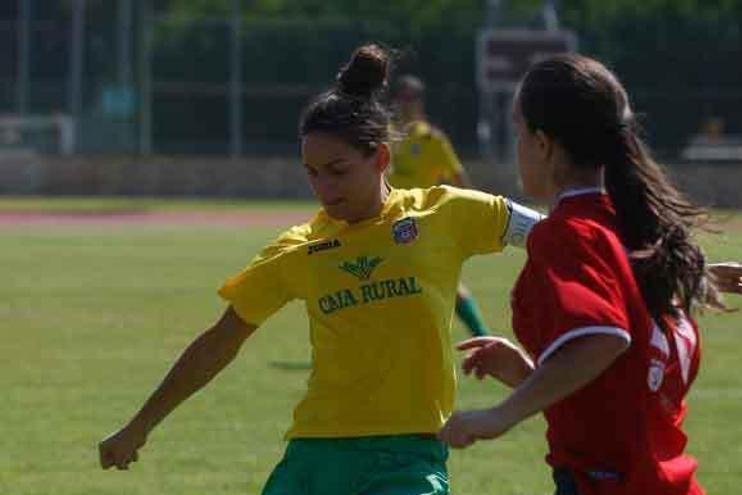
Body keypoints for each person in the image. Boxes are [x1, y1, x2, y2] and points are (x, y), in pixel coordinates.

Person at [97, 44, 546, 495]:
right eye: (312, 173)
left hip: (408, 457)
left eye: (337, 171)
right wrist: (139, 426)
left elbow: (563, 234)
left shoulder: (444, 214)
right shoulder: (300, 248)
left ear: (380, 159)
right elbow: (219, 343)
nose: (324, 188)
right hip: (314, 458)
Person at [438, 54, 742, 495]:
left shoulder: (571, 234)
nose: (517, 144)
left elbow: (604, 339)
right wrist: (529, 374)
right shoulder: (635, 232)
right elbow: (618, 385)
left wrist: (499, 415)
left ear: (544, 144)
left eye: (519, 130)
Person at [389, 74, 492, 338]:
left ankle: (481, 334)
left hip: (424, 221)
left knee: (442, 281)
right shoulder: (387, 136)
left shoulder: (432, 140)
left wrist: (471, 211)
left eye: (411, 97)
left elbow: (459, 177)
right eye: (402, 97)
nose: (406, 103)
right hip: (391, 220)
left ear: (420, 102)